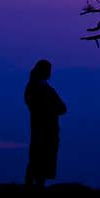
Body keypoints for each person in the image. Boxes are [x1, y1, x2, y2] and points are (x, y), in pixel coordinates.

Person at [24, 59, 68, 187]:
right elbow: (60, 107)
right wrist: (51, 109)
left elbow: (62, 108)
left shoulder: (41, 88)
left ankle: (36, 186)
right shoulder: (38, 88)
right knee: (38, 161)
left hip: (46, 130)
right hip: (42, 130)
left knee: (40, 161)